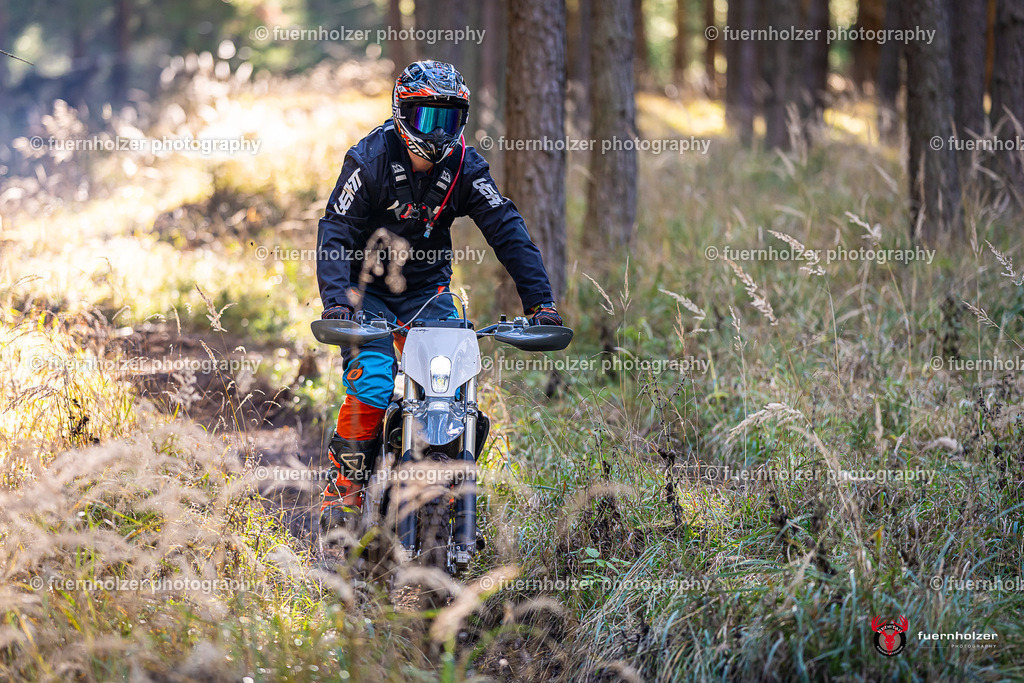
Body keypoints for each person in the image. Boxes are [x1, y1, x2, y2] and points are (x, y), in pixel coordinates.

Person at [316, 60, 563, 534]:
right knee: (371, 381)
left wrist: (540, 304)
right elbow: (337, 227)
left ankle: (445, 493)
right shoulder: (368, 159)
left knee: (448, 389)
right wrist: (336, 301)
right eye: (428, 116)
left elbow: (507, 229)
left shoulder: (465, 165)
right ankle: (343, 493)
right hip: (362, 292)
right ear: (403, 113)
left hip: (427, 292)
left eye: (449, 117)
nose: (439, 129)